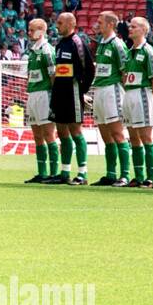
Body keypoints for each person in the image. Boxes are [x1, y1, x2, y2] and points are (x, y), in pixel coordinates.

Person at [50, 11, 93, 185]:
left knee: (75, 131)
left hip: (73, 93)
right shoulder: (59, 44)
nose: (57, 25)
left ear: (70, 24)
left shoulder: (78, 43)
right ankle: (65, 172)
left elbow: (89, 69)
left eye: (60, 23)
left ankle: (82, 173)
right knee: (61, 132)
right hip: (59, 94)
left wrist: (82, 90)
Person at [121, 16, 153, 188]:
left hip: (142, 94)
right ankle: (138, 175)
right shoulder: (129, 53)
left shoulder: (148, 52)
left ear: (144, 30)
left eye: (134, 27)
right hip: (129, 94)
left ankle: (150, 177)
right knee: (133, 137)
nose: (131, 29)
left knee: (145, 136)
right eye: (130, 26)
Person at [23, 18, 60, 184]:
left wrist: (55, 96)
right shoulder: (32, 50)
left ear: (41, 31)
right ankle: (42, 172)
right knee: (37, 135)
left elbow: (54, 75)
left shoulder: (47, 50)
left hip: (45, 94)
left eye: (32, 30)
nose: (29, 33)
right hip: (33, 94)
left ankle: (54, 172)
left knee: (48, 134)